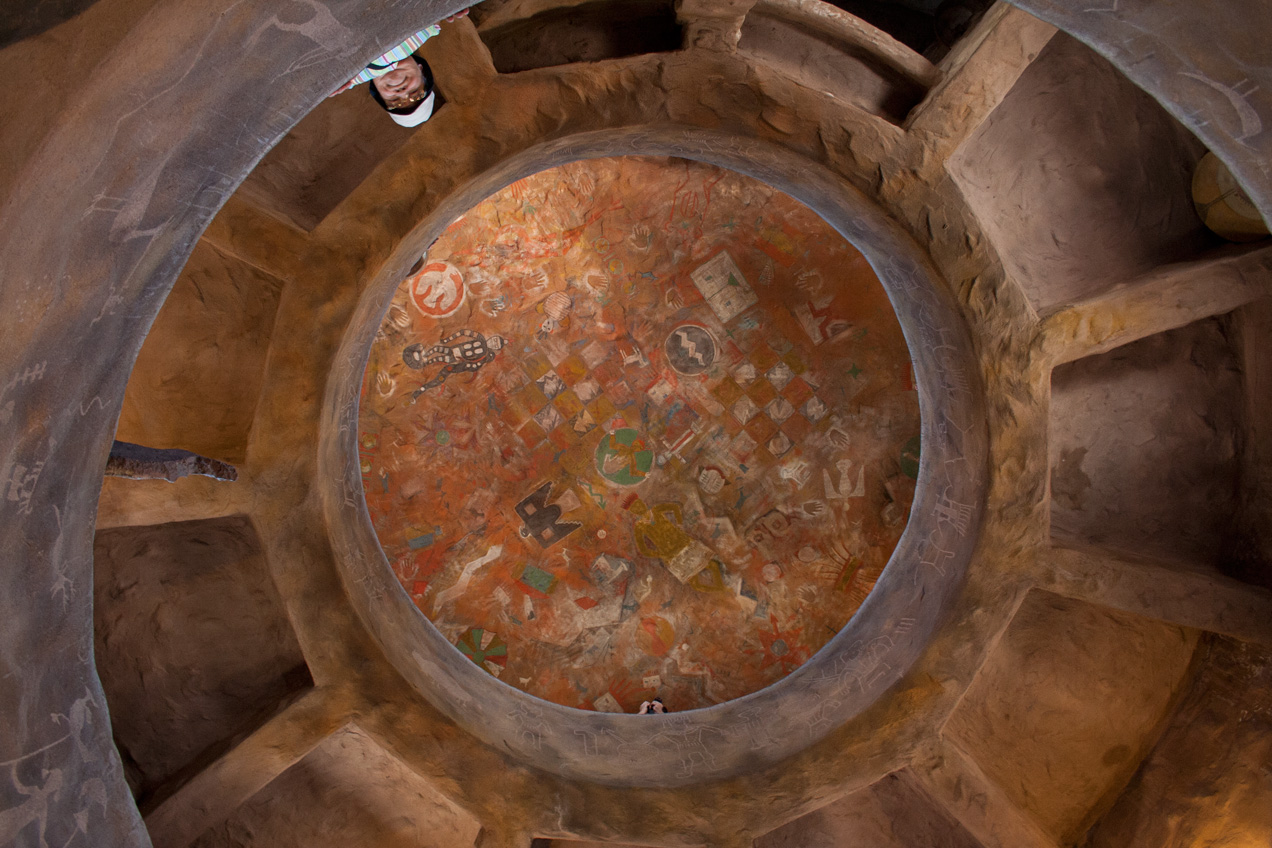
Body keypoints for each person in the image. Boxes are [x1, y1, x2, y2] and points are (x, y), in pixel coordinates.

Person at [330, 10, 469, 127]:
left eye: (395, 100)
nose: (402, 93)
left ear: (378, 93)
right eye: (415, 93)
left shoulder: (343, 76)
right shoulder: (428, 25)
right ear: (421, 70)